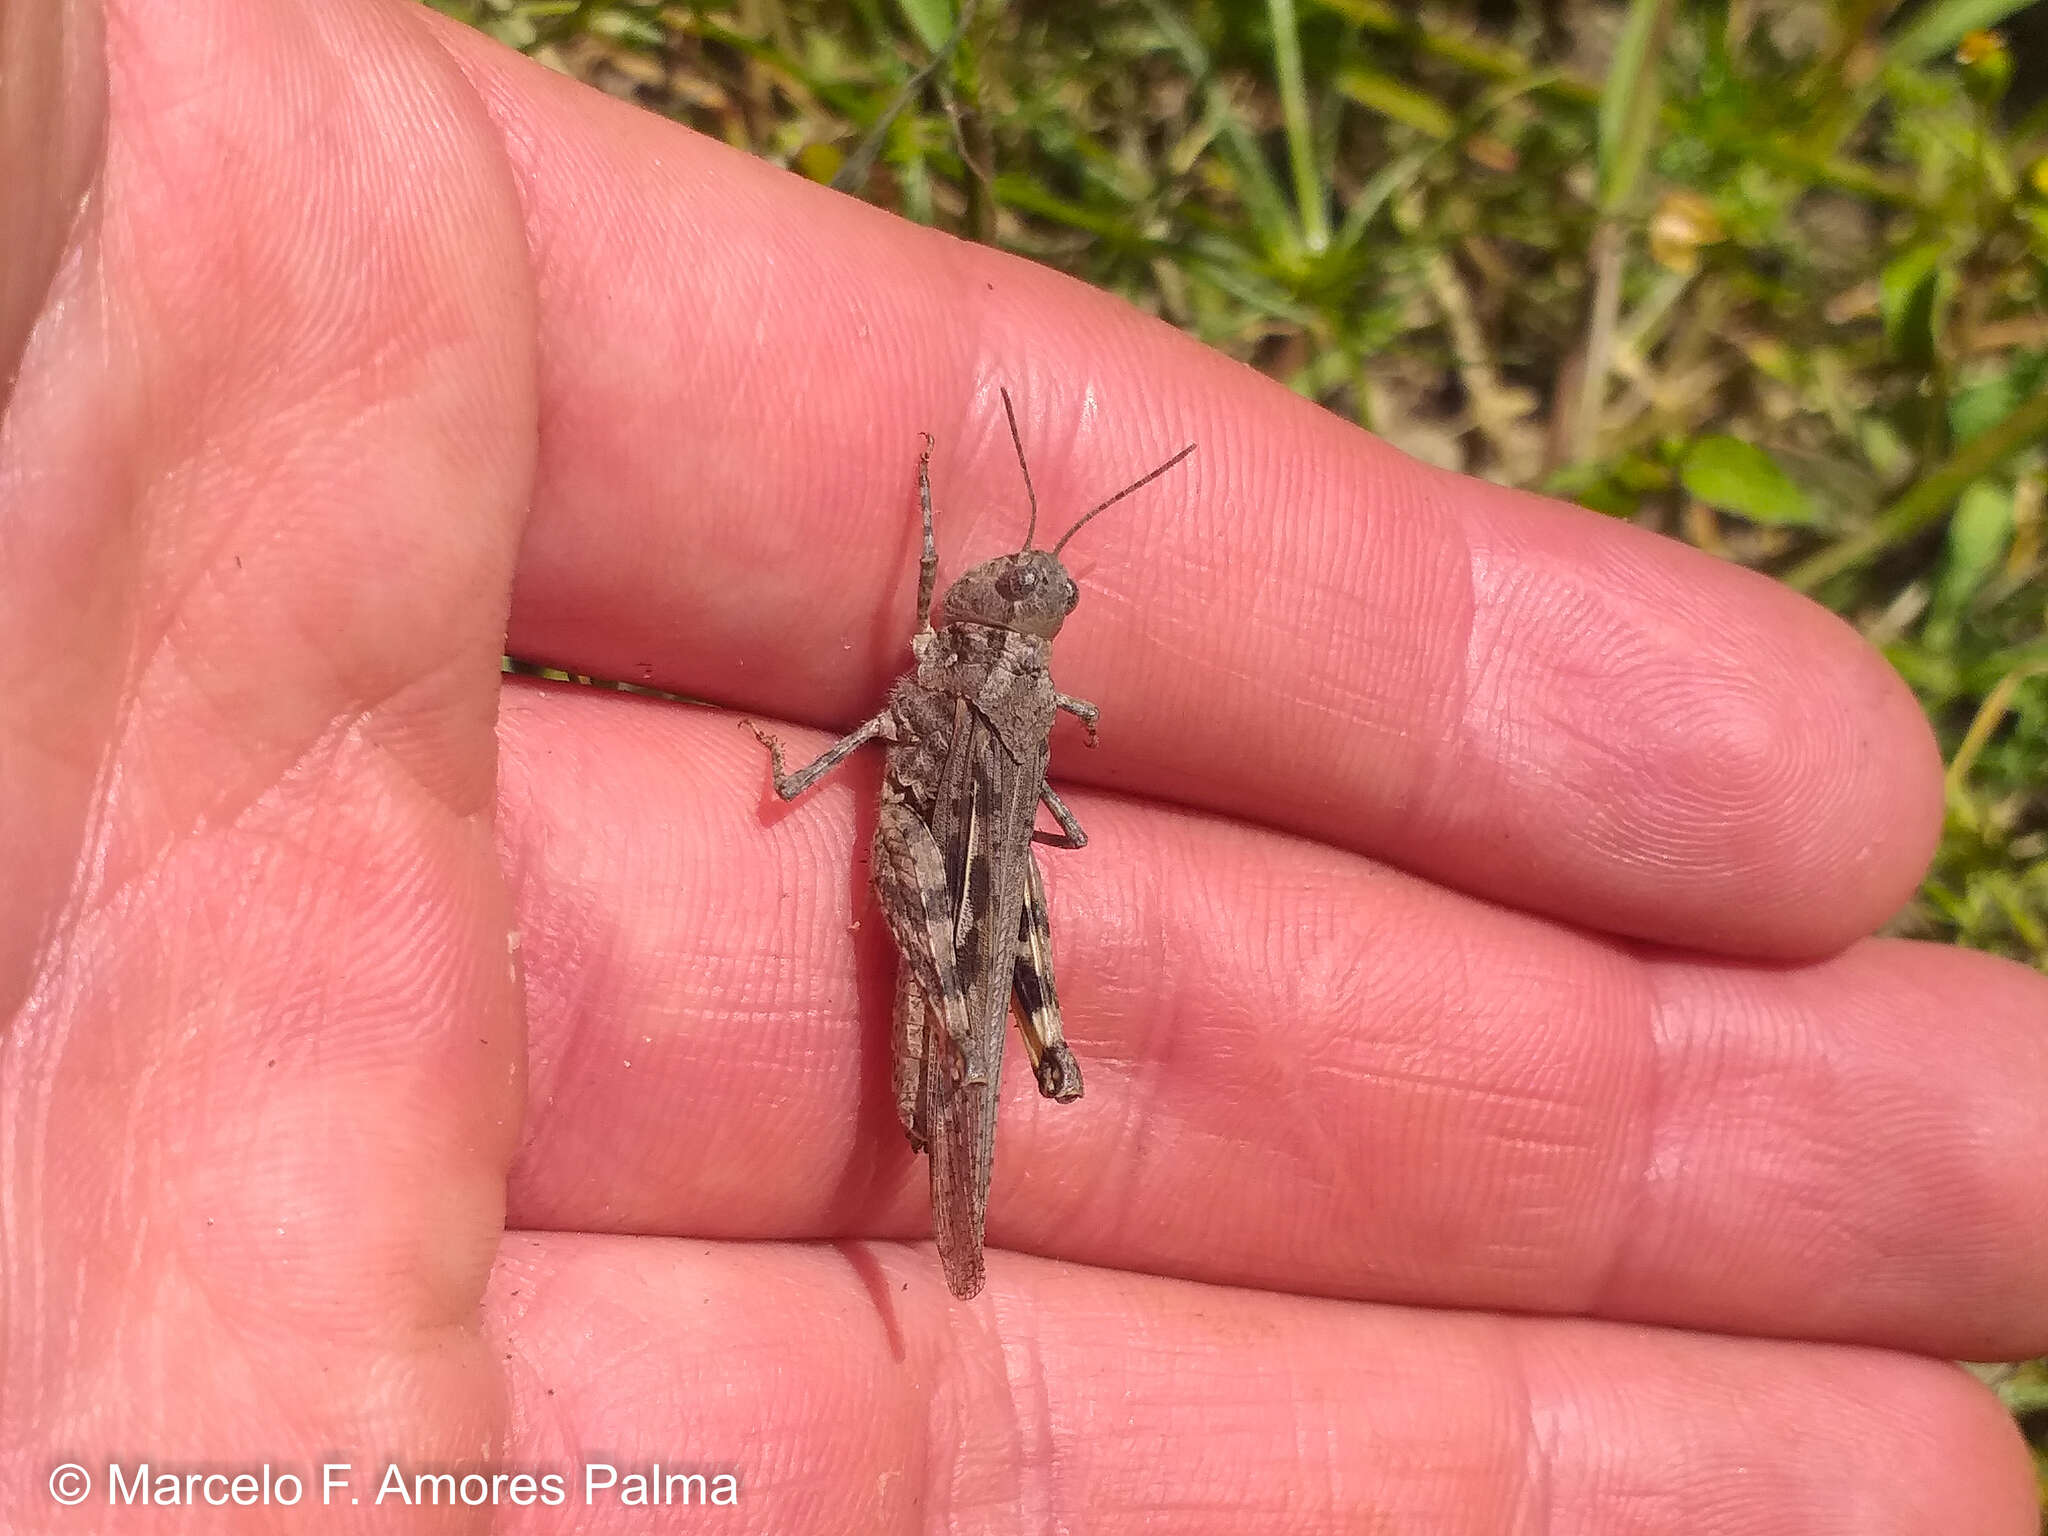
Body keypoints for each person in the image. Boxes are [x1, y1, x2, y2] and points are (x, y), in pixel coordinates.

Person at [2, 1, 2040, 1528]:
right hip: (941, 841)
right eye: (1012, 600)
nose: (1006, 602)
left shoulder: (977, 677)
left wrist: (890, 778)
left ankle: (979, 1130)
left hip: (954, 870)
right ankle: (970, 1126)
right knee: (982, 887)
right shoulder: (972, 649)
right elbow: (923, 689)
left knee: (991, 952)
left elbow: (924, 738)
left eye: (1019, 606)